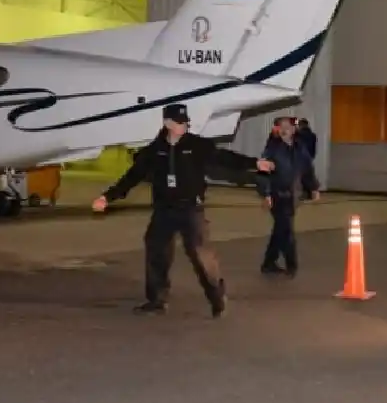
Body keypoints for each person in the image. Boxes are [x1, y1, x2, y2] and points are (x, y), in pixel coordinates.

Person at [91, 103, 274, 317]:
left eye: (185, 123)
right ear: (167, 123)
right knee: (156, 250)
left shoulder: (197, 145)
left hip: (190, 209)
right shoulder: (154, 150)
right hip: (164, 210)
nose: (183, 127)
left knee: (201, 255)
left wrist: (254, 163)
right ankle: (157, 300)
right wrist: (107, 197)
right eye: (179, 123)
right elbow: (132, 176)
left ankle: (217, 297)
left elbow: (225, 158)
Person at [258, 116, 320, 276]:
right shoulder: (272, 149)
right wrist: (266, 194)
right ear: (277, 130)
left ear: (294, 130)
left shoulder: (300, 148)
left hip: (293, 195)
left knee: (280, 229)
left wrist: (313, 188)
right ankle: (292, 265)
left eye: (288, 126)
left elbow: (307, 169)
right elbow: (263, 174)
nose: (284, 129)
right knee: (286, 229)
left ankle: (268, 263)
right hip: (277, 194)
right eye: (281, 126)